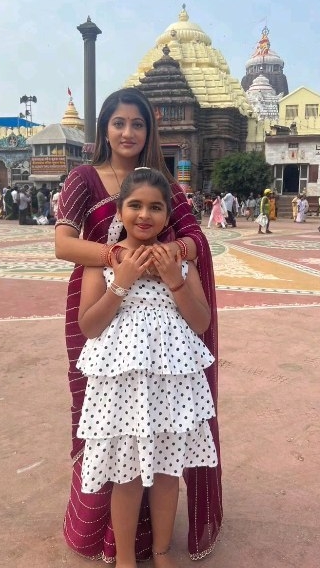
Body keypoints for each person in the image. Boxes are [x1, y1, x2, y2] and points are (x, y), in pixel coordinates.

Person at [55, 87, 221, 564]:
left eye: (138, 124)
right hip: (104, 308)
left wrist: (172, 261)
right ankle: (110, 540)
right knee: (113, 438)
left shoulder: (162, 182)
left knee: (161, 443)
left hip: (165, 314)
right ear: (104, 128)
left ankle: (158, 544)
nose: (128, 133)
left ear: (150, 131)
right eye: (118, 123)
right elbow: (64, 246)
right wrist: (120, 261)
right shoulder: (84, 178)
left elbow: (194, 239)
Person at [77, 168, 218, 567]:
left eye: (155, 207)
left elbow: (201, 322)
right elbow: (89, 325)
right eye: (135, 205)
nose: (144, 214)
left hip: (172, 385)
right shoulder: (103, 261)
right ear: (119, 211)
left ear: (168, 216)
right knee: (127, 474)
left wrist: (174, 279)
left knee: (169, 471)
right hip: (120, 386)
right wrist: (121, 281)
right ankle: (124, 556)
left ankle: (161, 551)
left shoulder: (180, 259)